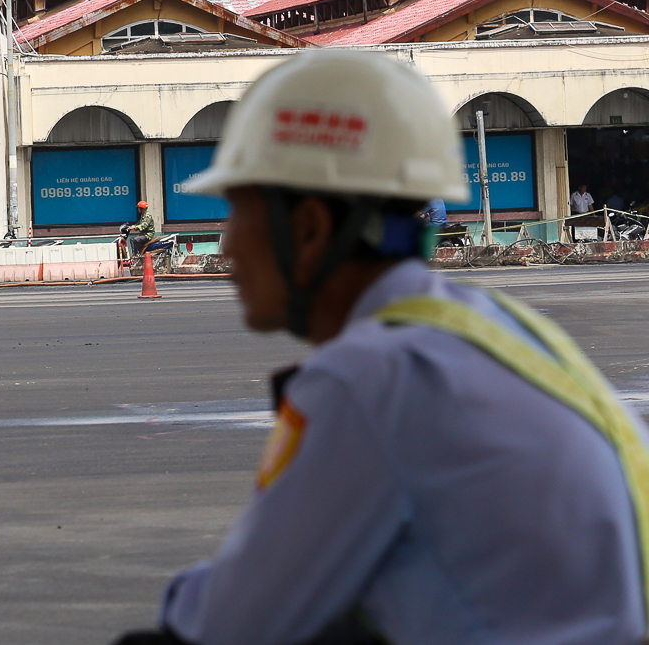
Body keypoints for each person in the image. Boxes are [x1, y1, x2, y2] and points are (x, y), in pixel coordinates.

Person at [114, 47, 649, 645]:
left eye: (236, 211)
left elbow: (232, 621)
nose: (228, 248)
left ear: (311, 229)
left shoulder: (371, 377)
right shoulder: (492, 327)